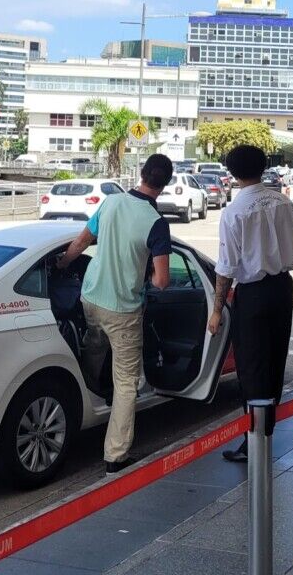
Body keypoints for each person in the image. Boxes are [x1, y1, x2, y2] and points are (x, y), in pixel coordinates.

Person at [57, 154, 173, 476]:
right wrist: (147, 274)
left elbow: (82, 240)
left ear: (142, 174)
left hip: (90, 297)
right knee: (127, 383)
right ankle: (115, 456)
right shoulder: (156, 223)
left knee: (93, 348)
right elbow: (162, 281)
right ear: (164, 184)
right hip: (123, 309)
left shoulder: (110, 203)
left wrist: (63, 264)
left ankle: (91, 396)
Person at [208, 145, 293, 462]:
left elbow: (227, 268)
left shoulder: (234, 212)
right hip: (282, 288)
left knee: (251, 366)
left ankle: (254, 440)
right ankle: (266, 433)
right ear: (263, 167)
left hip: (253, 293)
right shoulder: (284, 203)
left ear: (232, 173)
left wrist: (217, 310)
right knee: (275, 361)